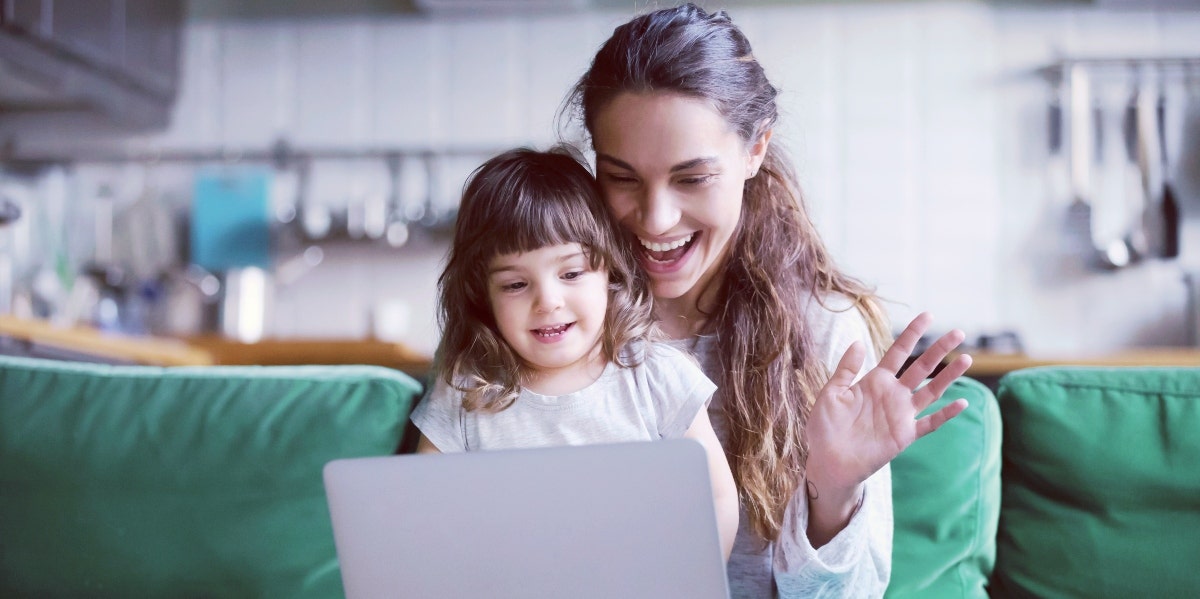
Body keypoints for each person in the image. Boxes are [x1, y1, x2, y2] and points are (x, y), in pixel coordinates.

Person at [561, 4, 972, 597]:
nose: (654, 218)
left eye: (692, 178)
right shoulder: (553, 318)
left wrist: (833, 492)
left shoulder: (825, 333)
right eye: (621, 177)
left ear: (756, 150)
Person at [409, 146, 739, 559]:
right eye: (515, 284)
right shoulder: (466, 390)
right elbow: (425, 513)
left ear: (609, 272)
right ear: (483, 295)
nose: (548, 301)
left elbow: (716, 499)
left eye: (571, 273)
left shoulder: (656, 376)